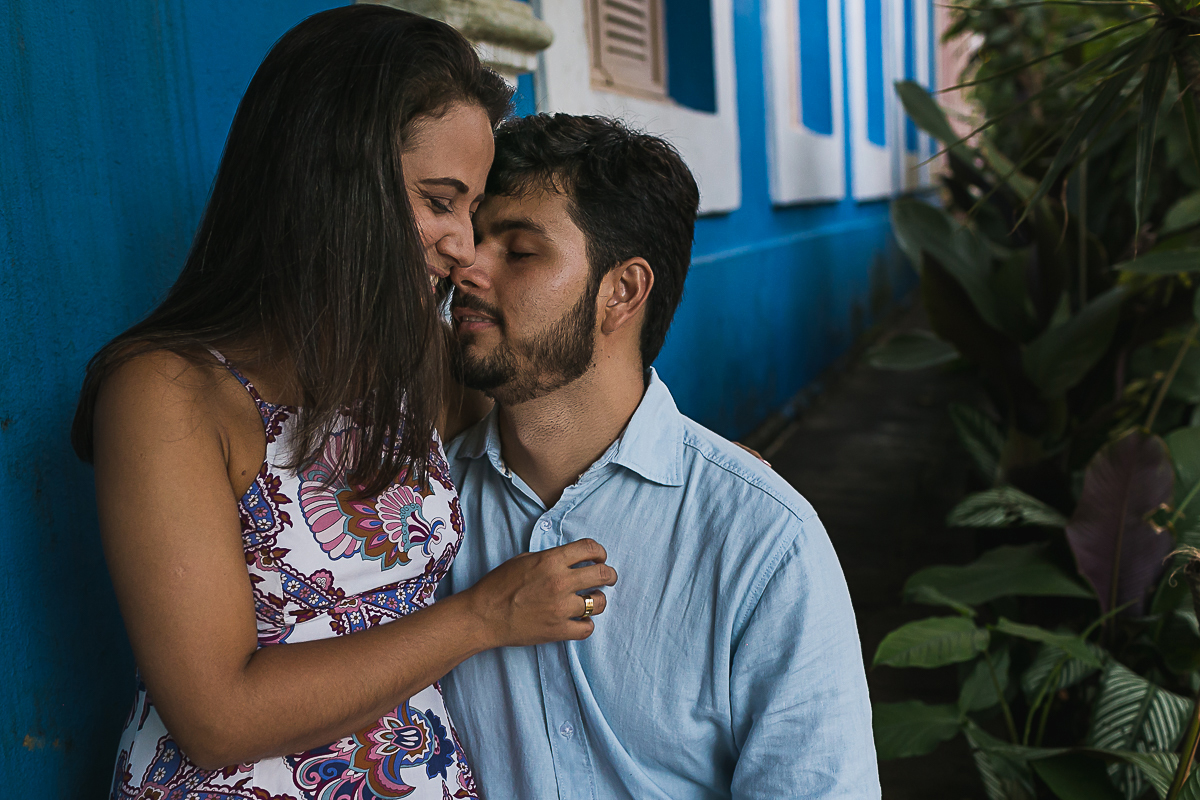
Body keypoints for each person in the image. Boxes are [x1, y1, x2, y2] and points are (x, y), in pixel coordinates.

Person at [73, 9, 615, 799]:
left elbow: (546, 413)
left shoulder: (407, 367)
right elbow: (217, 717)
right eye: (440, 201)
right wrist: (482, 618)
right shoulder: (170, 396)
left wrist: (688, 456)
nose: (463, 244)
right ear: (331, 182)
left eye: (471, 208)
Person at [440, 114, 880, 799]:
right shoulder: (421, 513)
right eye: (473, 237)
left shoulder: (761, 538)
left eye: (519, 251)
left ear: (622, 292)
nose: (466, 267)